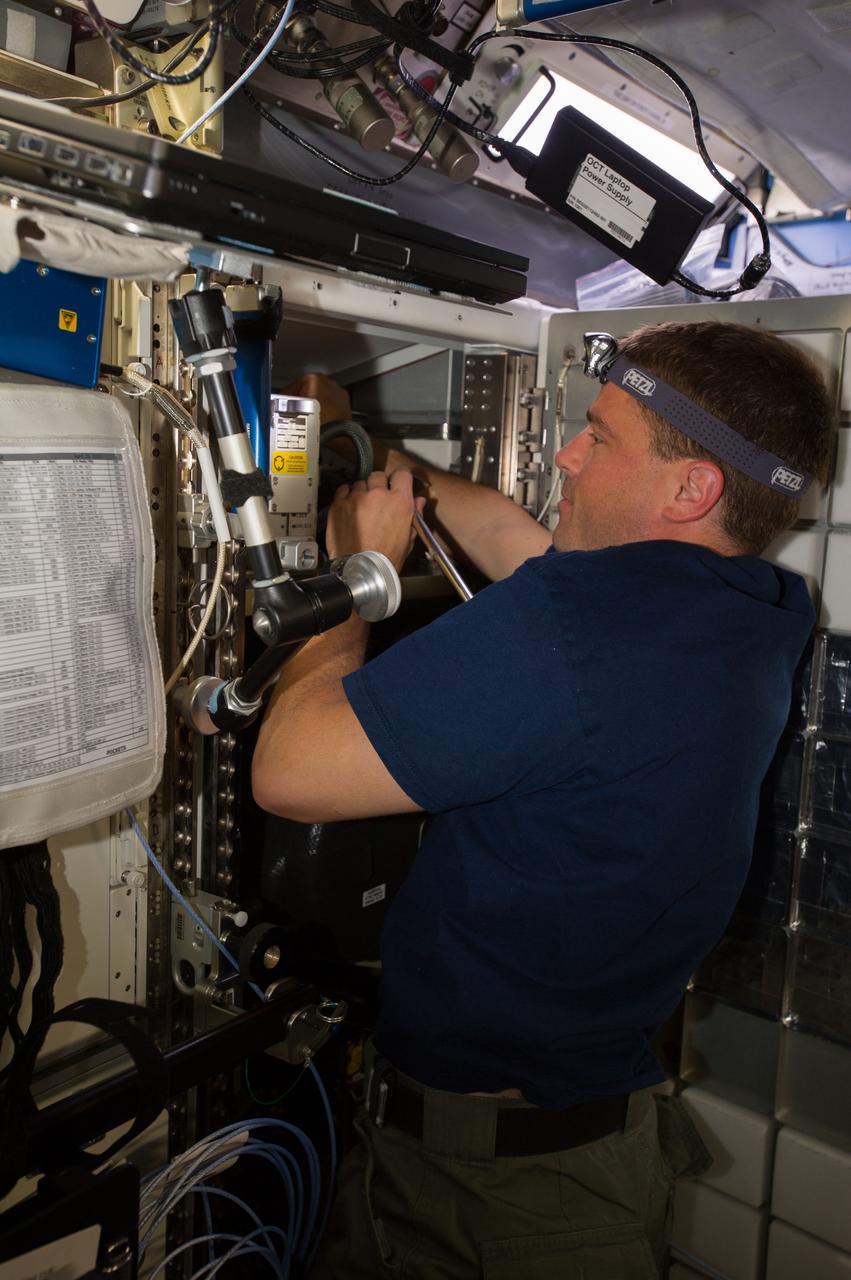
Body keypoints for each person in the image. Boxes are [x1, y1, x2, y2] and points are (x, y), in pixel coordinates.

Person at [253, 320, 834, 1279]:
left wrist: (353, 576)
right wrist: (368, 455)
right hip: (588, 1146)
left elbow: (288, 771)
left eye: (599, 437)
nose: (566, 452)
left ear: (691, 489)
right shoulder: (744, 608)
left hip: (487, 1201)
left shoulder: (575, 631)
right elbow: (504, 535)